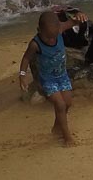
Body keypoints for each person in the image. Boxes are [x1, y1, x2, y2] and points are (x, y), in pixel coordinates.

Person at [20, 8, 86, 146]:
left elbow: (76, 21)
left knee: (67, 103)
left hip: (62, 76)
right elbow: (26, 58)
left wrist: (79, 16)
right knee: (60, 104)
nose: (51, 40)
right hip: (47, 80)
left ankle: (57, 127)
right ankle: (67, 137)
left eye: (54, 37)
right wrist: (22, 75)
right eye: (47, 37)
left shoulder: (60, 28)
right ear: (39, 30)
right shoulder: (35, 44)